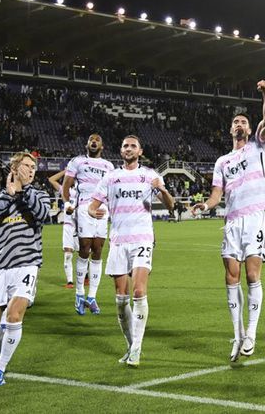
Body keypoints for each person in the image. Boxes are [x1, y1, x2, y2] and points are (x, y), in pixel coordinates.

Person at [192, 80, 265, 363]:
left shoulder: (257, 146)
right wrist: (206, 203)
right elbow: (217, 193)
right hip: (232, 220)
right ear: (230, 130)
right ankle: (237, 334)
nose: (239, 124)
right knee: (231, 277)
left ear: (250, 129)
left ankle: (251, 332)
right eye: (235, 122)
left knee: (252, 275)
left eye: (243, 121)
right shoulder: (222, 161)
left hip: (256, 216)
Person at [89, 135, 174, 367]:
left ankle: (136, 348)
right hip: (118, 242)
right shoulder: (110, 177)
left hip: (142, 239)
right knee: (120, 300)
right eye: (125, 145)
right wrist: (91, 212)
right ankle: (130, 345)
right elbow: (92, 205)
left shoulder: (150, 176)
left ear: (140, 151)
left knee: (138, 292)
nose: (128, 148)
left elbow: (171, 205)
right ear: (121, 150)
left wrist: (163, 191)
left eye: (133, 146)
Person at [0, 152, 51, 386]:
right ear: (14, 167)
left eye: (33, 167)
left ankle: (0, 368)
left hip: (27, 264)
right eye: (27, 166)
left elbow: (43, 215)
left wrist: (24, 191)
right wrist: (9, 196)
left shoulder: (38, 194)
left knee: (13, 316)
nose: (31, 170)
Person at [63, 134, 115, 315]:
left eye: (97, 140)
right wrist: (68, 204)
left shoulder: (109, 166)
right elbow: (66, 185)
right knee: (84, 248)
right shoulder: (77, 162)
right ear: (87, 144)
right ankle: (79, 294)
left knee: (98, 250)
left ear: (102, 145)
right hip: (84, 207)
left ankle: (92, 297)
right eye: (91, 139)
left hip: (102, 209)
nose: (93, 141)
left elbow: (112, 190)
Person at [49, 169, 78, 288]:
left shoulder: (84, 191)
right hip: (68, 225)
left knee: (84, 253)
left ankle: (85, 276)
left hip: (80, 225)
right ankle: (70, 281)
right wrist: (66, 171)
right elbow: (51, 179)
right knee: (68, 254)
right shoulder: (64, 191)